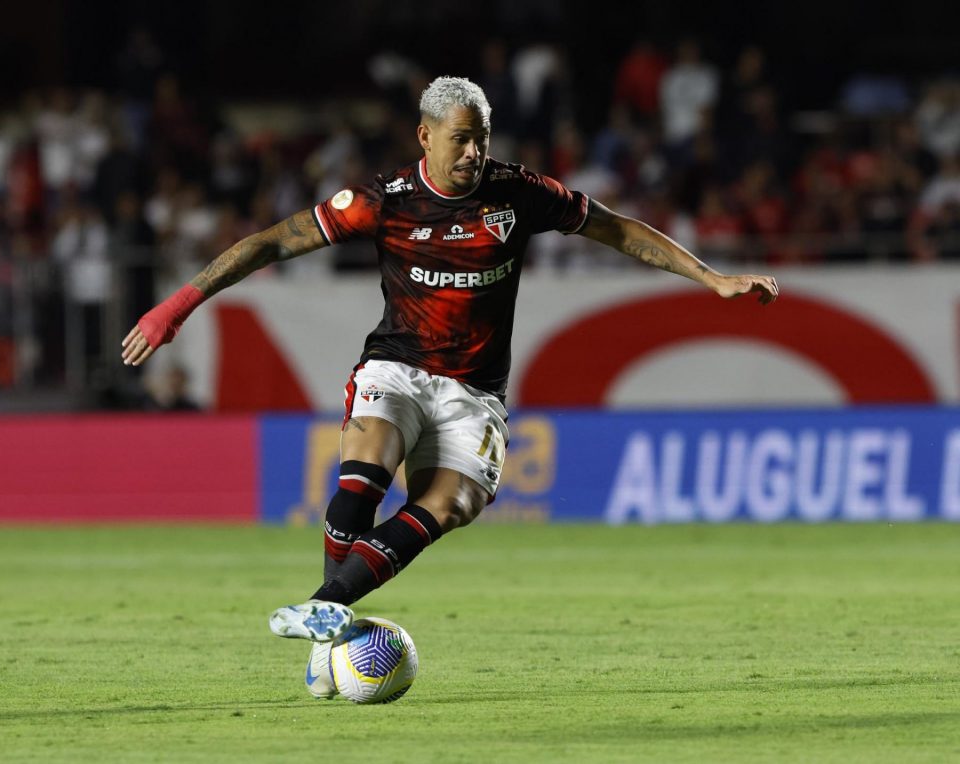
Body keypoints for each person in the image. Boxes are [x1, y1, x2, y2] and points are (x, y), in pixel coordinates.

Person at [121, 76, 778, 698]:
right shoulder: (383, 200)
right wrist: (174, 306)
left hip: (476, 394)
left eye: (482, 138)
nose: (473, 152)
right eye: (460, 138)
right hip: (397, 368)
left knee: (452, 502)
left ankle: (325, 610)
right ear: (425, 136)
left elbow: (617, 228)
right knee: (363, 476)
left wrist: (710, 277)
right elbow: (269, 243)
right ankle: (326, 623)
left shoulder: (519, 193)